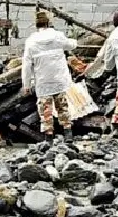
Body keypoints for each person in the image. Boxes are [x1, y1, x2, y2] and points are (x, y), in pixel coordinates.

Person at [22, 9, 77, 140]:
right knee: (62, 106)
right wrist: (75, 41)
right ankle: (68, 132)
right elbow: (71, 45)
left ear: (36, 25)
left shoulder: (31, 41)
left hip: (42, 80)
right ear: (48, 23)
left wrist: (27, 84)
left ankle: (48, 136)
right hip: (59, 78)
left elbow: (27, 65)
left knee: (45, 109)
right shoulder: (57, 36)